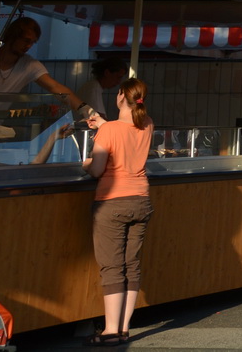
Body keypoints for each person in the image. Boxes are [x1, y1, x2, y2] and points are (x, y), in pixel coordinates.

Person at [85, 77, 154, 346]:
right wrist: (104, 126)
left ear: (119, 96)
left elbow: (98, 169)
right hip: (141, 199)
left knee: (112, 267)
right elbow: (127, 131)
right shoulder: (147, 125)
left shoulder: (110, 131)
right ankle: (124, 328)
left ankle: (110, 330)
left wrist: (85, 164)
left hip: (112, 202)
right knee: (131, 265)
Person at [0, 16, 84, 111]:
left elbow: (55, 87)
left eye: (33, 42)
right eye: (26, 40)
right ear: (12, 36)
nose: (28, 46)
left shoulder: (29, 64)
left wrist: (86, 110)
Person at [78, 57, 129, 122]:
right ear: (107, 73)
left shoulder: (94, 87)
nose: (119, 81)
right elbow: (99, 118)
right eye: (118, 77)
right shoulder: (94, 88)